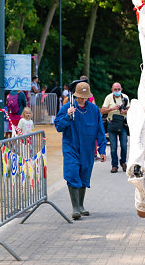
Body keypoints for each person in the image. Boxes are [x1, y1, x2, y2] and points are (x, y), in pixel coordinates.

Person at [54, 82, 107, 220]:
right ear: (75, 95)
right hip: (71, 146)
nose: (82, 100)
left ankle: (81, 205)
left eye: (85, 97)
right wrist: (67, 115)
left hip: (88, 149)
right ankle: (75, 207)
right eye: (80, 97)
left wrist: (102, 149)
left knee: (84, 174)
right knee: (72, 172)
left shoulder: (94, 110)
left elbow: (100, 130)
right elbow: (58, 126)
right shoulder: (67, 107)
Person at [101, 82, 129, 173]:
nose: (117, 91)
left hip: (122, 124)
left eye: (118, 89)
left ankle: (123, 162)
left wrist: (125, 111)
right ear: (112, 90)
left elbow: (129, 108)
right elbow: (102, 110)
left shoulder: (125, 97)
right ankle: (114, 165)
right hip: (112, 124)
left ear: (121, 89)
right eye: (115, 89)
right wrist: (112, 109)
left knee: (124, 145)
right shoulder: (108, 97)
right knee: (113, 147)